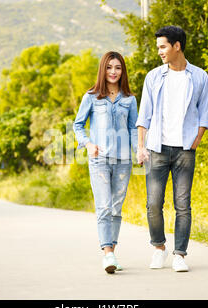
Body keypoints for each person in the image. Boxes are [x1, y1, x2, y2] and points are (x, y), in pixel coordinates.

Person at [136, 26, 208, 272]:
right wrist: (141, 147)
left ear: (177, 46)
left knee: (183, 204)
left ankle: (180, 254)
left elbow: (204, 115)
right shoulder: (154, 77)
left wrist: (194, 142)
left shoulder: (199, 77)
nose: (159, 51)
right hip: (157, 148)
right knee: (153, 204)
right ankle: (159, 248)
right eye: (159, 47)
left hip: (184, 150)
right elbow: (143, 116)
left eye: (163, 46)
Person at [73, 51, 138, 274]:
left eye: (118, 68)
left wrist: (139, 149)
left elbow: (132, 128)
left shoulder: (129, 99)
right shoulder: (91, 97)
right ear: (103, 69)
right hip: (99, 160)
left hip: (123, 161)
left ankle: (112, 251)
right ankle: (108, 254)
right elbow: (78, 125)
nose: (113, 72)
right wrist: (88, 144)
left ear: (123, 71)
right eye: (109, 67)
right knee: (104, 206)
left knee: (117, 209)